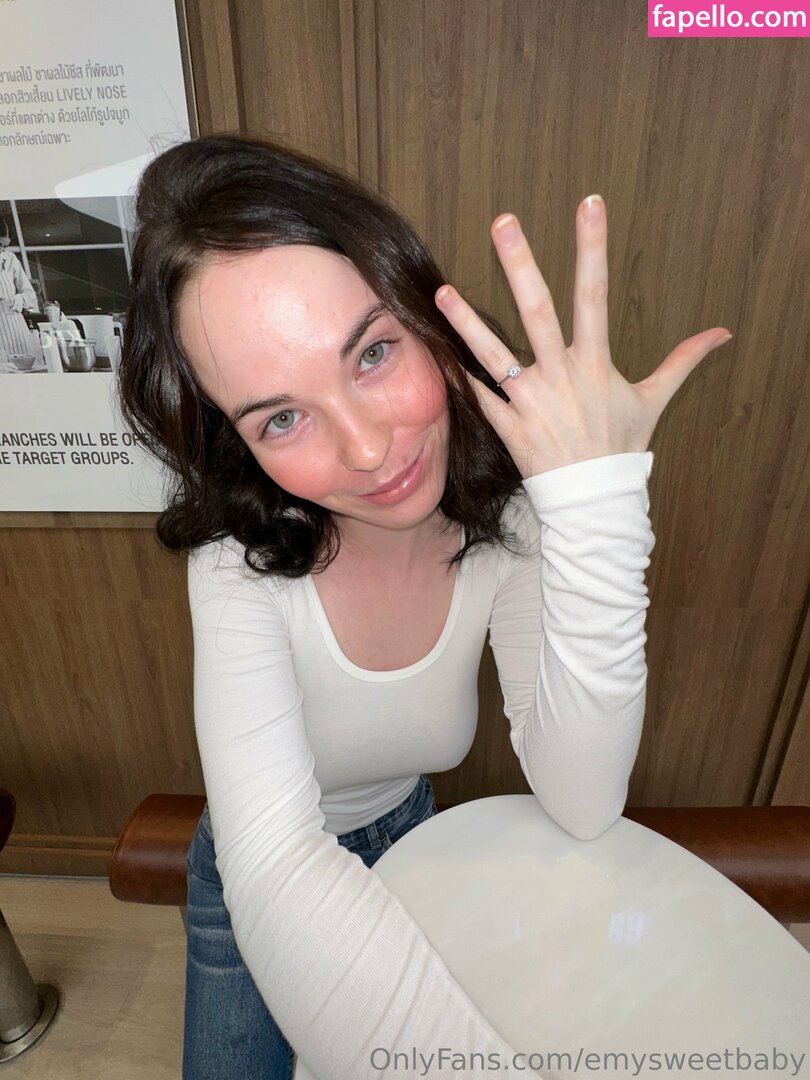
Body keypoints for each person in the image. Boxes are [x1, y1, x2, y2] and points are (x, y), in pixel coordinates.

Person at [117, 133, 731, 1080]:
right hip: (245, 871)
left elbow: (582, 798)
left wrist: (597, 507)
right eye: (282, 417)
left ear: (423, 317)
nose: (368, 450)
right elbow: (277, 864)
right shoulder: (237, 564)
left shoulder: (511, 521)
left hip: (419, 838)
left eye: (371, 353)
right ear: (238, 444)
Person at [0, 217, 39, 363]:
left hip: (15, 328)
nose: (2, 250)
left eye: (5, 246)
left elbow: (30, 294)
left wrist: (18, 299)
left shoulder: (9, 259)